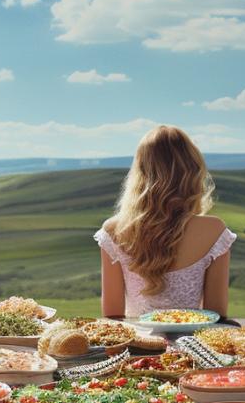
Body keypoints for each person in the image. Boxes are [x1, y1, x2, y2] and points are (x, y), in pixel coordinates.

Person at [94, 125, 236, 318]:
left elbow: (112, 317)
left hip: (136, 344)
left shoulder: (114, 230)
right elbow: (217, 317)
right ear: (193, 170)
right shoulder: (214, 230)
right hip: (192, 345)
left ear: (140, 172)